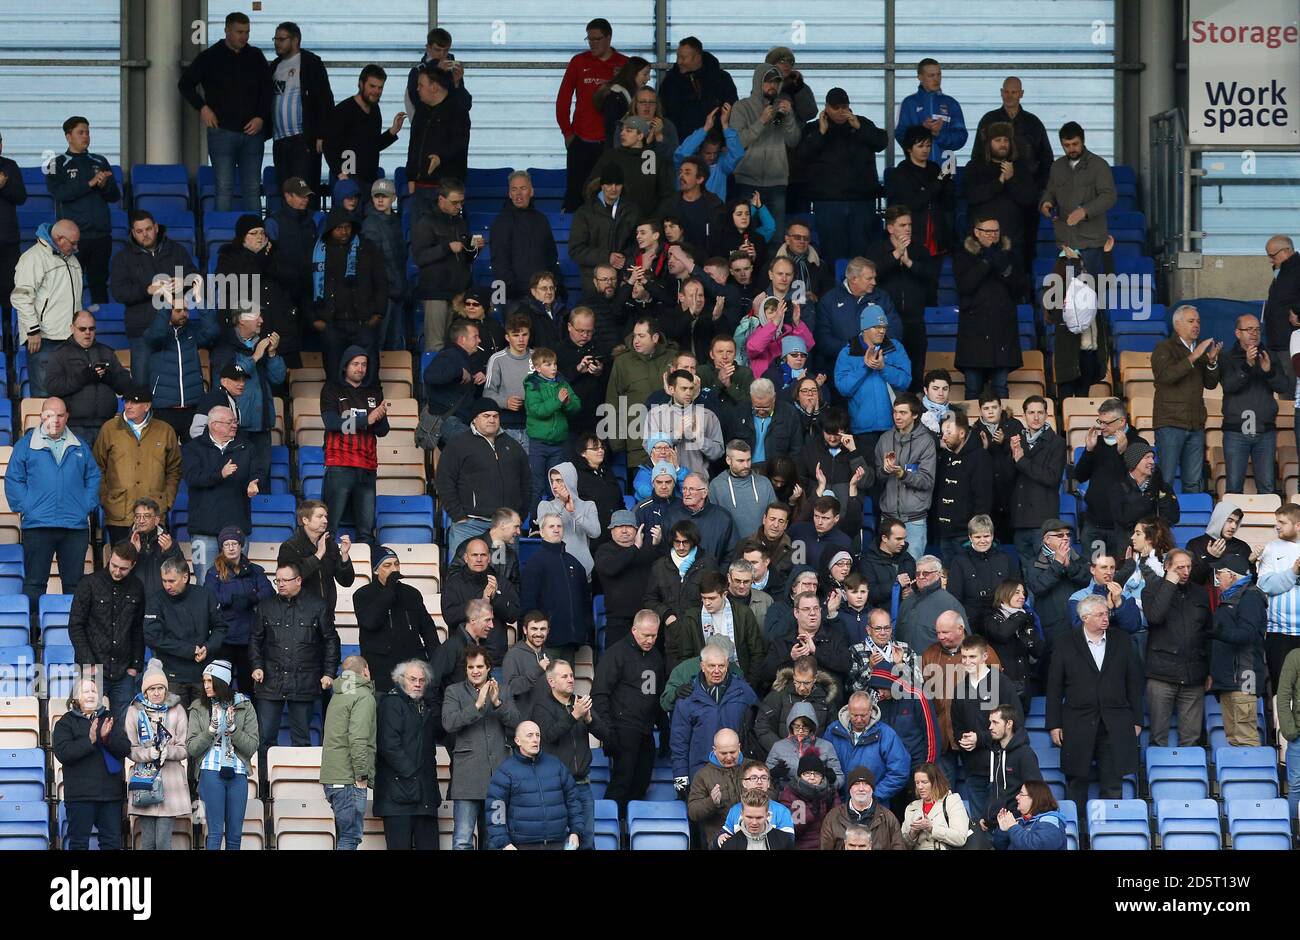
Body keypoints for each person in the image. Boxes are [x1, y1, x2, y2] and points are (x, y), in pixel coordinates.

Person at [1047, 594, 1144, 813]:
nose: (1105, 618)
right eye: (1100, 614)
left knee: (1112, 783)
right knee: (1076, 782)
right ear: (1085, 617)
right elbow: (1054, 687)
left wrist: (1137, 719)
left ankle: (1110, 836)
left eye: (1106, 613)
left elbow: (1134, 683)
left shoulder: (1122, 640)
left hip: (1115, 722)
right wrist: (1054, 724)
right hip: (1077, 722)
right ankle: (1078, 833)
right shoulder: (1064, 642)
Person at [5, 397, 100, 612]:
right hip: (38, 526)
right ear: (42, 416)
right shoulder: (25, 445)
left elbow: (94, 476)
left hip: (74, 528)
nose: (55, 420)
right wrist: (27, 506)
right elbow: (13, 478)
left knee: (75, 586)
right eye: (50, 414)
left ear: (66, 417)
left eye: (60, 415)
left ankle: (74, 636)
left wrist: (85, 505)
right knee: (35, 584)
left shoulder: (80, 446)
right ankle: (36, 634)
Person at [177, 12, 270, 212]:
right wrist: (202, 107)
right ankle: (223, 238)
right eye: (239, 32)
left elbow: (267, 90)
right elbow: (185, 84)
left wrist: (261, 117)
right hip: (222, 132)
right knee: (224, 187)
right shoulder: (210, 57)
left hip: (253, 133)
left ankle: (256, 236)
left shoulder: (256, 56)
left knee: (253, 188)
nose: (244, 37)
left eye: (247, 32)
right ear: (227, 30)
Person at [250, 560, 339, 755]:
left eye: (285, 580)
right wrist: (256, 666)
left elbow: (331, 640)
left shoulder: (318, 606)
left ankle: (300, 784)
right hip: (270, 681)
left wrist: (329, 673)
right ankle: (265, 785)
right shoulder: (265, 606)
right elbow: (255, 640)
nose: (280, 584)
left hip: (304, 681)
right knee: (265, 740)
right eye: (277, 580)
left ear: (298, 580)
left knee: (302, 740)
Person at [794, 88, 888, 263]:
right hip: (828, 201)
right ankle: (834, 288)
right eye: (835, 107)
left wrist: (859, 127)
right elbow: (801, 155)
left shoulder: (862, 124)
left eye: (843, 107)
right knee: (831, 252)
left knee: (861, 251)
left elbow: (881, 142)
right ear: (827, 107)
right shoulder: (814, 128)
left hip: (861, 200)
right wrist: (820, 133)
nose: (839, 112)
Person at [443, 647, 523, 850]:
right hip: (467, 778)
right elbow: (449, 723)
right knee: (462, 840)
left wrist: (497, 703)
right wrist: (477, 706)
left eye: (480, 666)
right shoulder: (454, 691)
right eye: (471, 667)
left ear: (489, 668)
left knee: (494, 841)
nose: (475, 671)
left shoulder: (503, 690)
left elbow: (516, 723)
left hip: (497, 776)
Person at [435, 401, 532, 563]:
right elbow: (444, 480)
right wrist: (458, 515)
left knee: (501, 577)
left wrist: (520, 515)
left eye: (495, 416)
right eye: (486, 416)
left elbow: (527, 483)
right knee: (463, 575)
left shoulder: (513, 445)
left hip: (504, 528)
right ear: (475, 419)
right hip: (470, 526)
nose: (492, 420)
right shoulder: (459, 444)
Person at [591, 611, 667, 811]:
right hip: (621, 729)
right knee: (621, 784)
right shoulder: (616, 654)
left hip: (646, 731)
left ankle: (630, 832)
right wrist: (608, 733)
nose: (650, 640)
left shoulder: (656, 657)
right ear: (634, 630)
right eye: (645, 635)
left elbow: (657, 697)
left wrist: (665, 730)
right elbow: (600, 695)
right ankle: (611, 829)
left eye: (654, 635)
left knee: (642, 783)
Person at [110, 210, 200, 375]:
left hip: (175, 327)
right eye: (139, 231)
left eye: (148, 229)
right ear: (132, 233)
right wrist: (147, 289)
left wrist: (184, 281)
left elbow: (198, 278)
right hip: (142, 330)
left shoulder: (176, 250)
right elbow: (118, 292)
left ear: (156, 228)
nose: (145, 234)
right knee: (142, 383)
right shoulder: (122, 258)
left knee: (178, 379)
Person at [976, 77, 1054, 265]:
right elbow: (977, 157)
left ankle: (1025, 291)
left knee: (1027, 248)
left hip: (1026, 195)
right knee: (993, 248)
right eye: (1006, 92)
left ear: (1021, 94)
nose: (1010, 96)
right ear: (1001, 92)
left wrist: (1037, 190)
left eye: (1014, 92)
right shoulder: (989, 120)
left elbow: (1046, 160)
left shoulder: (1033, 123)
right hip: (995, 195)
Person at [181, 405, 263, 585]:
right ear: (214, 425)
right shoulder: (193, 448)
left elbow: (258, 471)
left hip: (237, 527)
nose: (235, 425)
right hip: (203, 529)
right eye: (230, 422)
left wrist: (254, 482)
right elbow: (192, 478)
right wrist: (220, 474)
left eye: (235, 421)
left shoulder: (246, 447)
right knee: (204, 581)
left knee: (238, 580)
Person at [320, 347, 390, 547]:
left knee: (366, 531)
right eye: (355, 364)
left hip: (367, 467)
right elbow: (332, 423)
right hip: (340, 464)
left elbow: (383, 430)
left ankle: (366, 570)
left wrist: (378, 418)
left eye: (364, 364)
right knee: (329, 527)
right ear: (345, 366)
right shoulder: (332, 389)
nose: (360, 368)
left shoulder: (374, 392)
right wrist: (365, 419)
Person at [530, 659, 604, 849]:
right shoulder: (541, 706)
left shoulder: (580, 702)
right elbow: (549, 736)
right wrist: (574, 716)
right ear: (551, 682)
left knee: (587, 841)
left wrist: (589, 720)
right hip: (556, 787)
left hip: (582, 785)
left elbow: (606, 734)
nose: (571, 679)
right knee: (559, 842)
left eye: (571, 675)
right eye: (564, 676)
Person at [557, 19, 628, 212]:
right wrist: (568, 133)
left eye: (597, 39)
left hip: (611, 143)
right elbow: (563, 101)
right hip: (581, 140)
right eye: (589, 39)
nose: (593, 43)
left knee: (609, 197)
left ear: (609, 38)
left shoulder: (623, 64)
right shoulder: (579, 62)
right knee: (576, 197)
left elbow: (633, 103)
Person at [69, 541, 145, 721]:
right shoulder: (88, 584)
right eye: (114, 565)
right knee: (85, 721)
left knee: (124, 727)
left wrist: (135, 666)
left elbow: (137, 628)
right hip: (93, 667)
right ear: (109, 559)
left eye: (123, 568)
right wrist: (89, 663)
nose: (117, 571)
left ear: (133, 565)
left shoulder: (137, 587)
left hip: (124, 670)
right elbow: (75, 626)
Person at [1142, 549, 1211, 748]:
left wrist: (1209, 670)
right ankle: (1160, 778)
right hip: (1161, 674)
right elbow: (1155, 617)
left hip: (1194, 674)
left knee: (1191, 739)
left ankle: (1187, 778)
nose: (1186, 571)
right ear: (1166, 567)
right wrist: (1169, 584)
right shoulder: (1152, 589)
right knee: (1158, 737)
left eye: (1189, 566)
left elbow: (1208, 632)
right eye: (1180, 567)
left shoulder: (1199, 592)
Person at [186, 660, 258, 849]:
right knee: (215, 833)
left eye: (210, 681)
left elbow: (252, 746)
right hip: (210, 770)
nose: (206, 686)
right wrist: (210, 730)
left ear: (222, 682)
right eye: (204, 681)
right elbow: (192, 748)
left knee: (235, 835)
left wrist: (233, 729)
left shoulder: (245, 705)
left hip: (238, 772)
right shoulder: (198, 707)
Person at [1150, 305, 1222, 494]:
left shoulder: (1199, 351)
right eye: (1191, 321)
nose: (1196, 325)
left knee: (1193, 482)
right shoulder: (1164, 348)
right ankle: (1163, 522)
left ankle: (1192, 521)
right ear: (1177, 325)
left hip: (1195, 425)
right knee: (1166, 479)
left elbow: (1211, 384)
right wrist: (1194, 356)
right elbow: (1166, 376)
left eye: (1198, 321)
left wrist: (1212, 362)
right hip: (1170, 424)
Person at [953, 214, 1025, 400]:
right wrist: (986, 263)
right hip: (974, 334)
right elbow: (965, 286)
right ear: (977, 232)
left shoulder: (1010, 255)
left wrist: (1003, 267)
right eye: (988, 231)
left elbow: (1020, 290)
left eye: (996, 231)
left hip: (1002, 331)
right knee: (973, 389)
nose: (993, 235)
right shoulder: (963, 255)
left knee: (1001, 388)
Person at [52, 678, 130, 850]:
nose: (91, 695)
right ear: (75, 698)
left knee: (112, 844)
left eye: (94, 691)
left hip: (110, 795)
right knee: (79, 844)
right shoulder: (65, 723)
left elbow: (125, 748)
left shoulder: (110, 719)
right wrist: (90, 740)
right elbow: (63, 753)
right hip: (80, 795)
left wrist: (106, 738)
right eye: (86, 691)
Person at [312, 205, 388, 379]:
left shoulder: (366, 247)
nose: (345, 232)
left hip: (363, 322)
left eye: (348, 227)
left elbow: (381, 281)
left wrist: (378, 313)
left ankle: (372, 402)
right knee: (334, 373)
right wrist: (315, 320)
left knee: (369, 373)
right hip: (331, 323)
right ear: (331, 229)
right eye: (339, 228)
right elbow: (305, 287)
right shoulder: (317, 251)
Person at [209, 301, 287, 470]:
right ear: (241, 319)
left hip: (261, 425)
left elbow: (278, 378)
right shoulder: (224, 345)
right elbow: (227, 378)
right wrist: (255, 356)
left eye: (261, 316)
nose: (261, 320)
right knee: (237, 477)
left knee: (261, 477)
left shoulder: (263, 345)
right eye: (256, 316)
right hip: (235, 426)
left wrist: (272, 354)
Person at [121, 659, 190, 851]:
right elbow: (130, 748)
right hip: (144, 782)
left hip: (170, 783)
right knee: (148, 842)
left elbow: (185, 748)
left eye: (161, 688)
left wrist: (169, 752)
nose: (157, 692)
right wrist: (147, 753)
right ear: (145, 691)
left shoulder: (178, 710)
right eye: (152, 689)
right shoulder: (134, 711)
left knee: (163, 842)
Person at [354, 547, 440, 697]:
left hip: (412, 670)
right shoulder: (362, 595)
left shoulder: (411, 593)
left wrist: (435, 662)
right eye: (387, 566)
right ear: (375, 570)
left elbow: (428, 629)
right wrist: (389, 589)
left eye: (396, 564)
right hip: (381, 673)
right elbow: (370, 622)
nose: (394, 570)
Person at [374, 659, 443, 850]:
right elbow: (389, 746)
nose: (418, 684)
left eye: (422, 680)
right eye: (413, 679)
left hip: (424, 798)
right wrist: (413, 774)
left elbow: (429, 754)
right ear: (400, 679)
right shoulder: (391, 703)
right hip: (398, 797)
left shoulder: (425, 708)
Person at [485, 720, 585, 851]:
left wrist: (575, 832)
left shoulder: (556, 765)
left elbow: (573, 800)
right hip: (521, 845)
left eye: (537, 735)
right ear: (517, 741)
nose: (535, 739)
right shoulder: (505, 771)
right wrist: (504, 844)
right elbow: (496, 809)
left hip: (557, 843)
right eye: (529, 735)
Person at [669, 644, 759, 789]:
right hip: (700, 773)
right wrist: (680, 780)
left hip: (737, 771)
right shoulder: (687, 697)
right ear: (702, 666)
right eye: (711, 666)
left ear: (727, 665)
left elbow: (756, 730)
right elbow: (679, 741)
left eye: (721, 666)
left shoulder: (744, 692)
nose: (717, 671)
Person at [728, 66, 801, 237]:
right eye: (768, 81)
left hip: (777, 183)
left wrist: (789, 118)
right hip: (747, 181)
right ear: (758, 82)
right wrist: (761, 121)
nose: (772, 86)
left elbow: (794, 141)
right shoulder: (741, 107)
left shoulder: (782, 108)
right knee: (744, 234)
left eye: (776, 82)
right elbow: (737, 143)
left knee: (776, 235)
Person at [1222, 314, 1291, 494]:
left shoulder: (1269, 355)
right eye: (1249, 329)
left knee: (1267, 487)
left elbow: (1284, 386)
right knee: (1234, 487)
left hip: (1265, 431)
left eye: (1257, 329)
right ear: (1238, 333)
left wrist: (1269, 372)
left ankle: (1269, 522)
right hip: (1236, 430)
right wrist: (1248, 365)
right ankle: (1231, 523)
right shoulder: (1227, 356)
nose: (1254, 333)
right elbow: (1229, 386)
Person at [13, 218, 82, 397]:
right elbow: (21, 296)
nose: (76, 248)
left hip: (69, 337)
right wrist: (32, 330)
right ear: (59, 239)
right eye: (73, 243)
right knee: (45, 396)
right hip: (44, 339)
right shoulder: (33, 258)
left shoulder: (72, 259)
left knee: (70, 395)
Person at [948, 636, 1015, 817]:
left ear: (985, 656)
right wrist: (964, 740)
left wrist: (980, 738)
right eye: (964, 657)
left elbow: (1013, 724)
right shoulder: (960, 688)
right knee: (979, 826)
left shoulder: (1002, 683)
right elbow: (957, 726)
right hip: (974, 768)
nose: (967, 661)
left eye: (972, 657)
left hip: (1001, 769)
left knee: (1000, 826)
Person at [1074, 398, 1147, 560]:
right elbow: (1079, 476)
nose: (1102, 426)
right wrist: (1089, 451)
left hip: (1124, 528)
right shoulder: (1097, 442)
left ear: (1122, 421)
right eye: (1100, 421)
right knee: (1095, 572)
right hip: (1094, 525)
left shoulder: (1138, 444)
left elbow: (1141, 481)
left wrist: (1123, 454)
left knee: (1122, 574)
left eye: (1107, 423)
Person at [44, 309, 132, 444]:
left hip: (106, 424)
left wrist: (109, 377)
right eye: (82, 328)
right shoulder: (60, 354)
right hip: (75, 426)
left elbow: (126, 386)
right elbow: (52, 386)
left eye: (91, 328)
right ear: (72, 328)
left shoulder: (106, 352)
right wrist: (83, 377)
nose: (87, 332)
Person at [203, 528, 272, 698]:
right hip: (223, 638)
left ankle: (248, 721)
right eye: (227, 544)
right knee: (220, 686)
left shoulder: (255, 570)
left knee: (247, 687)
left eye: (234, 543)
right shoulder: (214, 572)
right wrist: (232, 599)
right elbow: (209, 597)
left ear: (241, 546)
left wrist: (251, 598)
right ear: (222, 548)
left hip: (248, 637)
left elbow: (269, 592)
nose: (231, 548)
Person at [267, 22, 332, 199]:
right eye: (275, 39)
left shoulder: (311, 62)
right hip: (280, 140)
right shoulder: (274, 66)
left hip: (303, 139)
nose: (277, 43)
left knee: (304, 192)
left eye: (282, 39)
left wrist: (321, 133)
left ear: (295, 40)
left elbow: (324, 99)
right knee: (286, 192)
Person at [1207, 555, 1266, 747]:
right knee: (1233, 738)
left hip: (1243, 679)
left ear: (1231, 576)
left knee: (1245, 739)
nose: (1216, 580)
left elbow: (1247, 634)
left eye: (1219, 574)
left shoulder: (1250, 597)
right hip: (1228, 681)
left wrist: (1218, 632)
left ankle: (1253, 777)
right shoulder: (1232, 597)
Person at [318, 655, 376, 851]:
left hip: (333, 776)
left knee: (346, 835)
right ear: (366, 670)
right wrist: (362, 774)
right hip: (348, 778)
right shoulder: (363, 696)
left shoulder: (340, 693)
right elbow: (358, 738)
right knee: (350, 837)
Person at [1039, 121, 1116, 271]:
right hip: (1065, 240)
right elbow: (1050, 192)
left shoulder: (1099, 165)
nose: (1071, 149)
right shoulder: (1057, 166)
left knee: (1092, 289)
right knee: (1066, 291)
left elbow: (1109, 196)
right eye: (1066, 145)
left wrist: (1085, 211)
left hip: (1091, 241)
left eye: (1075, 144)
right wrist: (1046, 203)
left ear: (1083, 141)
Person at [834, 305, 912, 451]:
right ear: (864, 328)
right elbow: (843, 388)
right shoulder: (848, 352)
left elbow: (905, 381)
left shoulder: (895, 348)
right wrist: (865, 366)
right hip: (862, 430)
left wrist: (883, 368)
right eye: (876, 327)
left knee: (891, 472)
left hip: (894, 427)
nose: (882, 331)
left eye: (884, 327)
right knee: (867, 472)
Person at [522, 514, 593, 664]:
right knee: (546, 685)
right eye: (551, 526)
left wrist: (585, 630)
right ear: (541, 532)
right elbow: (528, 603)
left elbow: (585, 600)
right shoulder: (535, 563)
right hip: (548, 641)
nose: (556, 529)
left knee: (566, 685)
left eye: (559, 526)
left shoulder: (574, 562)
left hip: (571, 640)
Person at [441, 539, 521, 670]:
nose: (479, 559)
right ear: (466, 558)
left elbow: (513, 615)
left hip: (495, 660)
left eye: (483, 555)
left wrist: (495, 598)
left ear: (489, 558)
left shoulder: (500, 581)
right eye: (474, 555)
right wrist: (482, 601)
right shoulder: (453, 583)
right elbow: (449, 616)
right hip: (463, 659)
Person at [405, 67, 472, 223]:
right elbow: (413, 145)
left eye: (421, 85)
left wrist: (441, 157)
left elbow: (460, 143)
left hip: (446, 189)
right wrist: (411, 176)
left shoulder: (458, 111)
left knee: (445, 238)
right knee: (420, 238)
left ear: (434, 87)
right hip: (420, 188)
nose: (417, 89)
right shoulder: (421, 111)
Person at [962, 122, 1038, 259]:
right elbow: (971, 196)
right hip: (981, 243)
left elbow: (1028, 199)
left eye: (1006, 140)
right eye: (998, 140)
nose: (1003, 144)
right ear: (988, 143)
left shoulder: (1020, 168)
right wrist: (999, 183)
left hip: (1013, 241)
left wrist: (1011, 179)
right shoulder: (975, 167)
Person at [323, 64, 404, 193]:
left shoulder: (375, 110)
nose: (376, 91)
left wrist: (393, 131)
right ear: (361, 84)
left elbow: (372, 145)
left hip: (369, 181)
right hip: (349, 181)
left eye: (380, 87)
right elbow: (328, 146)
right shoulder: (343, 110)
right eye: (372, 86)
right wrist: (341, 175)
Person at [277, 499, 357, 627]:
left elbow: (346, 581)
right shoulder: (289, 547)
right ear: (305, 520)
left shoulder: (330, 545)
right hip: (298, 618)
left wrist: (345, 556)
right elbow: (290, 580)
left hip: (326, 616)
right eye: (319, 516)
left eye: (326, 516)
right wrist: (318, 555)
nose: (325, 521)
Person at [874, 394, 936, 557]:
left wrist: (903, 474)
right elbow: (877, 477)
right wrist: (884, 471)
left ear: (915, 415)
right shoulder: (884, 439)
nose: (897, 416)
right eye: (895, 412)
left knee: (914, 570)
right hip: (888, 518)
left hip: (914, 520)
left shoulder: (926, 442)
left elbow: (927, 480)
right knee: (887, 571)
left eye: (903, 413)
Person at [1008, 396, 1068, 565]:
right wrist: (1011, 457)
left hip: (1043, 521)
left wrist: (1021, 461)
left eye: (1040, 412)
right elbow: (1009, 478)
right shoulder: (1016, 440)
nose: (1036, 417)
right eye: (1031, 412)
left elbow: (1052, 477)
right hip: (1020, 520)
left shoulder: (1057, 443)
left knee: (1043, 571)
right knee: (1026, 572)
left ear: (1047, 415)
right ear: (1024, 416)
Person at [824, 690, 911, 802]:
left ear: (871, 711)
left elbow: (899, 771)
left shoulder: (886, 734)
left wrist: (873, 796)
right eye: (854, 715)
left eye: (863, 715)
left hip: (874, 807)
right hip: (839, 804)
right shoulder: (833, 730)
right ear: (848, 710)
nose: (859, 720)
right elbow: (823, 765)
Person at [491, 172, 561, 301]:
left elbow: (551, 257)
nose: (518, 193)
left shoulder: (541, 220)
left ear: (531, 191)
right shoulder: (501, 221)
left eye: (523, 188)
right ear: (509, 194)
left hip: (542, 293)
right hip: (515, 296)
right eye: (514, 189)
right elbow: (499, 261)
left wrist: (552, 286)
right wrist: (515, 289)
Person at [526, 356, 585, 506]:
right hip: (538, 444)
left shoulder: (562, 382)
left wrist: (567, 403)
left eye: (555, 364)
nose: (554, 368)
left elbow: (576, 407)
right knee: (537, 485)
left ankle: (554, 522)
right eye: (548, 364)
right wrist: (558, 401)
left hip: (558, 443)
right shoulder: (532, 385)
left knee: (556, 486)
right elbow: (537, 411)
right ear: (538, 368)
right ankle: (533, 523)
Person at [1025, 519, 1092, 651]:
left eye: (1068, 535)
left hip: (1079, 621)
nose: (1066, 538)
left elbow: (1089, 580)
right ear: (1046, 539)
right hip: (1053, 626)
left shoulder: (1078, 558)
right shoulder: (1034, 562)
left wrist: (1070, 567)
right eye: (1060, 535)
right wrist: (1058, 564)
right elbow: (1038, 587)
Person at [659, 36, 739, 141]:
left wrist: (725, 142)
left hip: (714, 146)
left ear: (697, 58)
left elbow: (732, 111)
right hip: (682, 147)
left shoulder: (721, 80)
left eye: (683, 58)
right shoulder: (670, 82)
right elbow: (663, 113)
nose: (679, 62)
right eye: (678, 57)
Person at [946, 515, 1015, 634]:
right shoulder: (959, 561)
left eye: (986, 536)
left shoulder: (1005, 558)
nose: (982, 541)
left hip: (1002, 621)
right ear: (970, 537)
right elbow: (954, 597)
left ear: (992, 536)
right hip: (971, 623)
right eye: (978, 537)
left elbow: (1015, 589)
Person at [894, 58, 967, 166]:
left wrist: (938, 134)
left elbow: (961, 138)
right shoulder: (909, 103)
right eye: (931, 76)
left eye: (939, 75)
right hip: (917, 168)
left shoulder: (951, 103)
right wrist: (922, 130)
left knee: (945, 183)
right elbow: (901, 136)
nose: (936, 79)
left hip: (946, 169)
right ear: (920, 77)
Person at [986, 579, 1046, 710]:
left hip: (1023, 684)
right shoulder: (991, 616)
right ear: (1005, 593)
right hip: (999, 684)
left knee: (1019, 726)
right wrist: (1019, 616)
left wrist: (1028, 637)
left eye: (1024, 593)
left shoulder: (1027, 617)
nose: (1022, 596)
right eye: (1017, 592)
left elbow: (1038, 651)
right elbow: (1002, 634)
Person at [818, 765, 905, 850]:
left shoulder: (888, 818)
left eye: (866, 784)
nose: (861, 788)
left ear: (872, 789)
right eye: (856, 784)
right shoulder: (833, 817)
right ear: (849, 789)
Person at [896, 556, 968, 656]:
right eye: (917, 573)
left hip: (936, 666)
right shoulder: (907, 602)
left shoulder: (950, 603)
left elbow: (964, 642)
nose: (920, 577)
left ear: (938, 574)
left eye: (926, 573)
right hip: (905, 665)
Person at [687, 728, 746, 847]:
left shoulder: (752, 768)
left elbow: (771, 796)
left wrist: (759, 791)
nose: (729, 757)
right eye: (724, 753)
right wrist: (711, 802)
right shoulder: (703, 775)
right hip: (719, 840)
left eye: (733, 752)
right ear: (714, 750)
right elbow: (693, 812)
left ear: (739, 747)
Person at [1112, 441, 1181, 534]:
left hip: (1155, 542)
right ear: (1134, 462)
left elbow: (1173, 518)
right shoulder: (1119, 488)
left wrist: (1161, 492)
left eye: (1152, 457)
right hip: (1127, 544)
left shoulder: (1162, 486)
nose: (1152, 462)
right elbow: (1124, 519)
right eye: (1147, 457)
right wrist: (1150, 495)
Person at [901, 762, 969, 850]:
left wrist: (931, 828)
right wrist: (913, 833)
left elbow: (960, 838)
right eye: (917, 783)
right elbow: (902, 845)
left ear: (935, 783)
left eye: (924, 782)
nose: (920, 787)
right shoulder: (911, 807)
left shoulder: (952, 801)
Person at [858, 519, 919, 616]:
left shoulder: (907, 559)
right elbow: (869, 594)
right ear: (885, 538)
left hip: (907, 616)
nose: (903, 543)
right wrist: (895, 584)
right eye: (898, 539)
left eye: (904, 539)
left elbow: (917, 584)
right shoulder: (868, 562)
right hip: (880, 619)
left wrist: (913, 591)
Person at [1188, 502, 1252, 587]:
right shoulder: (1195, 544)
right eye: (1229, 521)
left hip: (1234, 598)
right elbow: (1192, 580)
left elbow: (1250, 582)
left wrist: (1250, 563)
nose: (1234, 526)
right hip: (1203, 598)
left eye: (1237, 522)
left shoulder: (1242, 546)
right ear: (1218, 519)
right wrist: (1210, 557)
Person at [0, 131, 25, 348]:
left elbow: (21, 196)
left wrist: (4, 186)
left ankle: (9, 338)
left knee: (9, 289)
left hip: (8, 239)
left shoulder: (10, 166)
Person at [995, 780, 1068, 850]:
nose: (1017, 797)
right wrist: (1003, 830)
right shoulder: (1021, 821)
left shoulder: (1051, 822)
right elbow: (1001, 847)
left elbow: (1035, 846)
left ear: (1034, 798)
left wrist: (1012, 827)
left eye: (1021, 794)